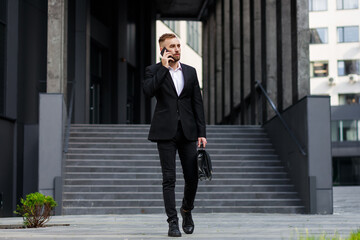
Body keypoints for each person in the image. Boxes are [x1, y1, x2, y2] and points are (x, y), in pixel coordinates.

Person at [143, 33, 207, 237]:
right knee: (168, 179)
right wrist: (163, 68)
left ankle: (186, 210)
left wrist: (201, 132)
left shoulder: (190, 72)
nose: (177, 49)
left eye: (179, 45)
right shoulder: (153, 70)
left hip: (187, 131)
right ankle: (172, 223)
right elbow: (148, 91)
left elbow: (197, 103)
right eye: (172, 46)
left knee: (192, 177)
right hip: (165, 132)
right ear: (163, 49)